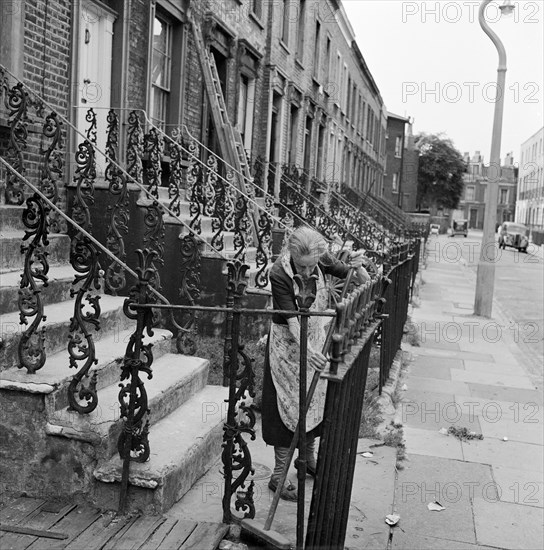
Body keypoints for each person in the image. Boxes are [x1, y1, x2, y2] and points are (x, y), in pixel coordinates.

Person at [261, 226, 369, 500]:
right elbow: (293, 320)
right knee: (286, 407)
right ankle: (278, 475)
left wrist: (358, 265)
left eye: (311, 267)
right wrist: (307, 351)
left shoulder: (322, 257)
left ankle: (307, 459)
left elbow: (349, 273)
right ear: (291, 256)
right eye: (302, 266)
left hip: (315, 340)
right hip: (287, 346)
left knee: (313, 402)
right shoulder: (279, 273)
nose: (308, 272)